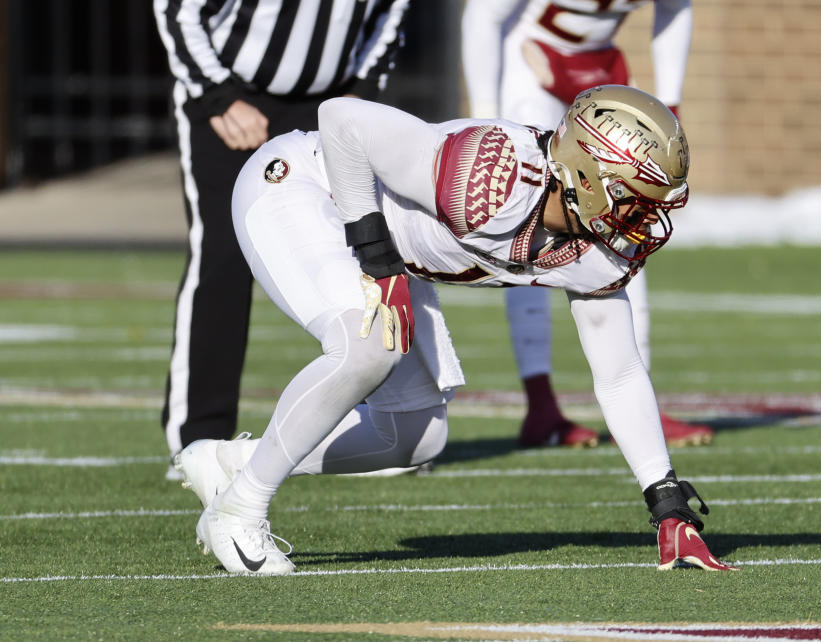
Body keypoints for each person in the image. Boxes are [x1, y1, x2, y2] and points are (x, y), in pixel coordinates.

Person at [174, 84, 737, 575]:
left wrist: (664, 499)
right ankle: (239, 509)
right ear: (587, 177)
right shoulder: (491, 171)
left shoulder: (597, 251)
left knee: (415, 436)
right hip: (305, 189)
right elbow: (340, 121)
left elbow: (617, 374)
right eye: (634, 201)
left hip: (387, 247)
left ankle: (231, 464)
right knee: (366, 349)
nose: (644, 219)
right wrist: (376, 258)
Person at [153, 0, 410, 480]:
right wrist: (217, 95)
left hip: (334, 101)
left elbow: (390, 17)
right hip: (233, 98)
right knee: (222, 259)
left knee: (366, 245)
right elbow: (177, 10)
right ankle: (198, 437)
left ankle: (385, 433)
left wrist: (361, 92)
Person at [461, 0, 713, 449]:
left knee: (631, 221)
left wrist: (670, 102)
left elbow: (675, 8)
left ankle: (641, 404)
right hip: (531, 62)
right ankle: (540, 404)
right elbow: (484, 14)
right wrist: (485, 112)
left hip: (604, 71)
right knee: (530, 225)